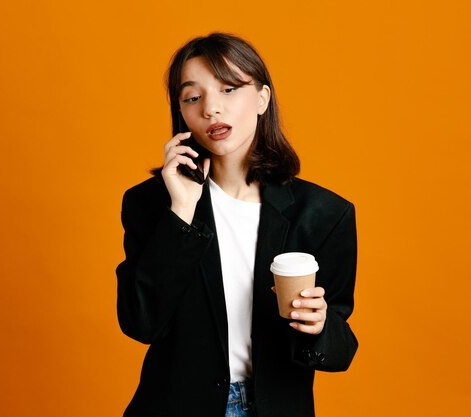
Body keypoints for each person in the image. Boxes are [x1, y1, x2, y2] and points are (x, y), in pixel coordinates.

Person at [116, 32, 358, 417]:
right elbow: (141, 323)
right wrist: (181, 208)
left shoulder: (324, 214)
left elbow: (340, 348)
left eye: (229, 89)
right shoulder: (151, 204)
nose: (211, 109)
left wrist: (319, 324)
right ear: (182, 113)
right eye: (193, 97)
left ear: (262, 98)